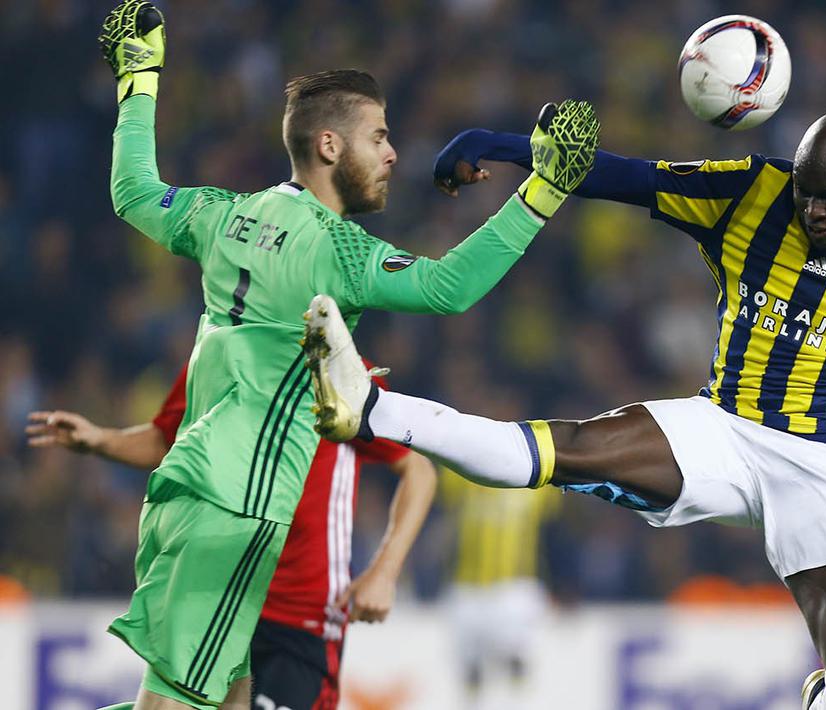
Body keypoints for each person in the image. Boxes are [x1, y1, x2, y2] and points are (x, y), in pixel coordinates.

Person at [304, 110, 826, 710]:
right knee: (569, 449)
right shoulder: (752, 194)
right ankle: (371, 406)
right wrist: (498, 144)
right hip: (724, 430)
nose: (811, 210)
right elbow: (624, 176)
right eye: (807, 192)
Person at [95, 2, 599, 707]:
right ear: (330, 146)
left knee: (231, 697)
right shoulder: (338, 249)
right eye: (379, 137)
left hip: (199, 490)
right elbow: (448, 288)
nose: (393, 153)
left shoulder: (219, 213)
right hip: (240, 503)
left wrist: (140, 79)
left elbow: (134, 191)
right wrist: (541, 193)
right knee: (173, 703)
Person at [26, 362, 435, 710]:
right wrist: (100, 439)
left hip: (300, 616)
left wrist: (384, 570)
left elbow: (417, 468)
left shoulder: (336, 366)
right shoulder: (218, 354)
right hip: (219, 598)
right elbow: (169, 439)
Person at [438, 470, 559, 710]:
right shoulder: (462, 469)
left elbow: (556, 528)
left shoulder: (536, 471)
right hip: (467, 588)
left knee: (519, 673)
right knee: (471, 679)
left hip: (516, 588)